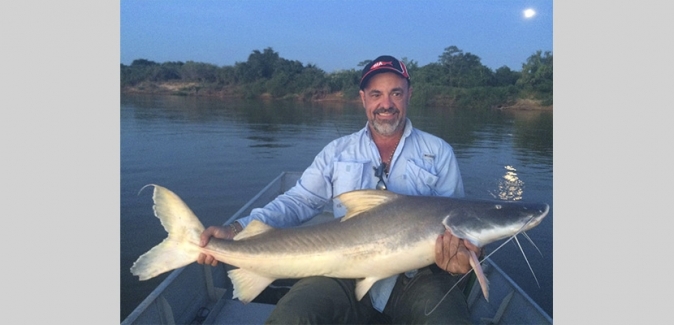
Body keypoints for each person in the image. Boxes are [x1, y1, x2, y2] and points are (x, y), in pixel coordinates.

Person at [197, 55, 481, 324]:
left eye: (396, 93)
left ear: (409, 94)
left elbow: (457, 223)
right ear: (362, 99)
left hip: (418, 276)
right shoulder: (337, 151)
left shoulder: (438, 152)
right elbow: (298, 201)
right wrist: (236, 229)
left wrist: (461, 258)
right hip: (340, 272)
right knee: (293, 316)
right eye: (375, 94)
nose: (386, 104)